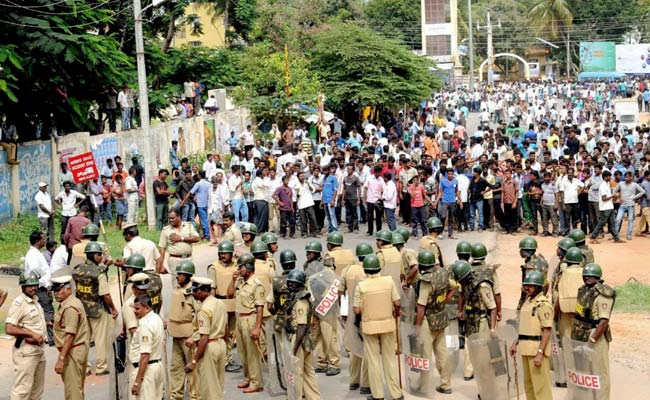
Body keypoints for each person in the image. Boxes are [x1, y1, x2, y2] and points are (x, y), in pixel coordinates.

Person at [353, 254, 403, 400]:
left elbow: (356, 310)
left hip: (369, 327)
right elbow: (398, 303)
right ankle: (396, 393)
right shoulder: (388, 281)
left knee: (374, 362)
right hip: (388, 325)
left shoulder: (361, 286)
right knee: (390, 360)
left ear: (365, 270)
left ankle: (378, 395)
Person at [72, 241, 119, 376]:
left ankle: (85, 367)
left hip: (82, 309)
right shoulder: (99, 273)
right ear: (95, 255)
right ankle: (101, 367)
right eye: (100, 255)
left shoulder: (77, 269)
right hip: (97, 310)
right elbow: (106, 295)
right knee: (100, 340)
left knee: (84, 340)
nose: (101, 257)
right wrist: (113, 309)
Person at [415, 250, 456, 394]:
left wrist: (417, 326)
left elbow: (421, 305)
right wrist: (444, 301)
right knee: (442, 353)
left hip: (428, 320)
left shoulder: (426, 280)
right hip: (441, 317)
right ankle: (446, 384)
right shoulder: (443, 274)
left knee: (425, 355)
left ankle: (424, 386)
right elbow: (454, 287)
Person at [571, 263, 614, 400]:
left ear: (598, 278)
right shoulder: (583, 290)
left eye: (591, 276)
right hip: (582, 334)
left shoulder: (603, 295)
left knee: (600, 372)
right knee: (585, 372)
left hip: (596, 336)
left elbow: (603, 322)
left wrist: (592, 341)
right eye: (585, 276)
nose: (587, 278)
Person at [451, 259, 498, 381]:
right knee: (469, 345)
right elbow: (462, 296)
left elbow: (493, 308)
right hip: (470, 318)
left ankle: (488, 373)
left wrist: (492, 328)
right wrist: (460, 311)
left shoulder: (483, 286)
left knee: (484, 347)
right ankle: (469, 371)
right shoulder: (465, 283)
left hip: (481, 320)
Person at [511, 270, 553, 400]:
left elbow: (547, 330)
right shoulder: (528, 302)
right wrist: (515, 342)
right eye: (526, 285)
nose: (526, 288)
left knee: (541, 389)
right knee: (529, 387)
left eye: (530, 285)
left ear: (538, 287)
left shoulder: (543, 305)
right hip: (526, 349)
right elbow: (526, 325)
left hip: (536, 351)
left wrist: (540, 353)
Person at [5, 271, 48, 400]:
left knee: (36, 391)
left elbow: (32, 322)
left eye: (35, 285)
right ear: (23, 287)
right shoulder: (19, 303)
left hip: (39, 349)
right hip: (26, 352)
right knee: (22, 390)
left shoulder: (35, 301)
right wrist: (31, 333)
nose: (33, 288)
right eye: (30, 285)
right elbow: (9, 328)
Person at [184, 276, 228, 400]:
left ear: (203, 291)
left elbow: (204, 338)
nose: (193, 294)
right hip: (220, 344)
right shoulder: (219, 303)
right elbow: (226, 328)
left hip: (209, 346)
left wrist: (194, 361)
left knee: (209, 390)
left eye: (195, 291)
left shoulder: (204, 310)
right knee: (218, 386)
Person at [228, 253, 266, 393]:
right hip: (240, 319)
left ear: (249, 267)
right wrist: (232, 280)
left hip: (250, 318)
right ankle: (247, 377)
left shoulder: (256, 284)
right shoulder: (240, 281)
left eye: (241, 267)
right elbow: (229, 294)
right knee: (242, 351)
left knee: (252, 353)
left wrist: (257, 327)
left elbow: (260, 307)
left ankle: (257, 382)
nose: (239, 269)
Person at [51, 275, 91, 400]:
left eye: (58, 290)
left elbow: (69, 336)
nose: (55, 294)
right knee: (76, 389)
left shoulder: (70, 307)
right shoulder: (71, 302)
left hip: (72, 351)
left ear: (68, 289)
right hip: (75, 349)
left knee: (73, 392)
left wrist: (61, 359)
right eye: (54, 290)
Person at [338, 243, 370, 394]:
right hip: (367, 314)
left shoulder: (347, 270)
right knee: (368, 349)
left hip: (352, 313)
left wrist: (343, 312)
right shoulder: (371, 269)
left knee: (354, 348)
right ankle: (366, 384)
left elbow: (340, 293)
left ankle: (354, 380)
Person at [285, 269, 322, 399]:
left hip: (299, 338)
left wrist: (293, 349)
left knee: (296, 372)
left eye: (294, 284)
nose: (290, 286)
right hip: (306, 338)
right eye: (289, 283)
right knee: (308, 371)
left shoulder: (300, 302)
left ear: (300, 285)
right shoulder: (301, 298)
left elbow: (301, 326)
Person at [207, 240, 242, 372]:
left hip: (234, 303)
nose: (223, 256)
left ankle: (228, 358)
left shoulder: (236, 266)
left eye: (226, 253)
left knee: (232, 333)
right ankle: (223, 360)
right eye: (221, 253)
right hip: (221, 302)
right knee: (222, 333)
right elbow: (212, 288)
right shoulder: (214, 267)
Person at [168, 260, 199, 400]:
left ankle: (195, 396)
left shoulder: (193, 293)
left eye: (180, 274)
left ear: (187, 275)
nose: (177, 277)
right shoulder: (177, 289)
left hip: (189, 336)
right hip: (176, 334)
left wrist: (195, 335)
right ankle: (176, 396)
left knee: (192, 368)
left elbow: (199, 316)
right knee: (176, 368)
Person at [129, 294, 165, 400]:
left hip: (146, 370)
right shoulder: (157, 318)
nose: (135, 311)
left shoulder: (145, 325)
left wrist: (137, 382)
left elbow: (145, 356)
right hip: (156, 366)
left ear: (147, 308)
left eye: (138, 308)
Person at [24, 231, 55, 345]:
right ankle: (51, 338)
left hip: (42, 286)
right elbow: (35, 273)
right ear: (37, 241)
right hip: (40, 288)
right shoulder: (32, 255)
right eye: (43, 239)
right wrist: (45, 284)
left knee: (45, 311)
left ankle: (48, 336)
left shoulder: (37, 253)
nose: (45, 241)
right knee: (47, 311)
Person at [157, 207, 200, 275]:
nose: (170, 220)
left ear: (179, 217)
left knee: (190, 283)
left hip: (188, 259)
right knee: (176, 283)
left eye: (172, 218)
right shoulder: (166, 230)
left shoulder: (188, 226)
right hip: (174, 260)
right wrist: (161, 265)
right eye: (169, 218)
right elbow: (162, 249)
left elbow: (197, 238)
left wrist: (181, 238)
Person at [589, 171, 624, 244]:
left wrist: (613, 198)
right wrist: (613, 196)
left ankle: (616, 238)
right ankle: (593, 237)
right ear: (605, 177)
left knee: (612, 223)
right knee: (601, 223)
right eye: (609, 176)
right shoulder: (603, 186)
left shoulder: (607, 184)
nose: (610, 178)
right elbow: (604, 198)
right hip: (605, 208)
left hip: (609, 207)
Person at [517, 237, 549, 310]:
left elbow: (530, 289)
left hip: (533, 298)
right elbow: (546, 284)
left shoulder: (530, 266)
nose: (520, 251)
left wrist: (525, 307)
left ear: (525, 251)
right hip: (541, 296)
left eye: (521, 249)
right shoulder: (542, 260)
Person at [613, 171, 645, 240]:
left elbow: (643, 191)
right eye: (625, 177)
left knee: (630, 220)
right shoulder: (621, 184)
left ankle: (629, 235)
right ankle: (615, 235)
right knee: (618, 219)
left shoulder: (634, 185)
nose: (626, 178)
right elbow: (614, 191)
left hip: (631, 205)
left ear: (631, 177)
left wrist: (634, 197)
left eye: (627, 177)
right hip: (622, 205)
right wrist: (618, 198)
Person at [435, 169, 461, 239]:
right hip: (445, 201)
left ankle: (450, 234)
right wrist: (436, 201)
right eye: (449, 174)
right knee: (443, 216)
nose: (450, 175)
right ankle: (440, 232)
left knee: (451, 218)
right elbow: (440, 192)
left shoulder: (455, 181)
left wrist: (460, 200)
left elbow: (457, 191)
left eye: (451, 174)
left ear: (453, 174)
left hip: (452, 201)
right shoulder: (443, 181)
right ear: (447, 174)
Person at [364, 165, 385, 236]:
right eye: (379, 172)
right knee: (370, 217)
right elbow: (366, 188)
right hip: (370, 199)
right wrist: (364, 198)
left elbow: (383, 189)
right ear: (375, 172)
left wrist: (381, 197)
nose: (380, 174)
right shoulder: (369, 178)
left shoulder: (381, 179)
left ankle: (379, 231)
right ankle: (370, 231)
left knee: (379, 217)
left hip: (378, 200)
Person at [342, 163, 362, 232]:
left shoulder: (355, 178)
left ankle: (356, 228)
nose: (348, 170)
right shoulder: (345, 178)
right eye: (347, 169)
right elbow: (344, 189)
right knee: (348, 214)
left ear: (353, 170)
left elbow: (359, 189)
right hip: (347, 199)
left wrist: (359, 199)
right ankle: (350, 228)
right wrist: (342, 199)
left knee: (354, 213)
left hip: (353, 198)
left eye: (350, 169)